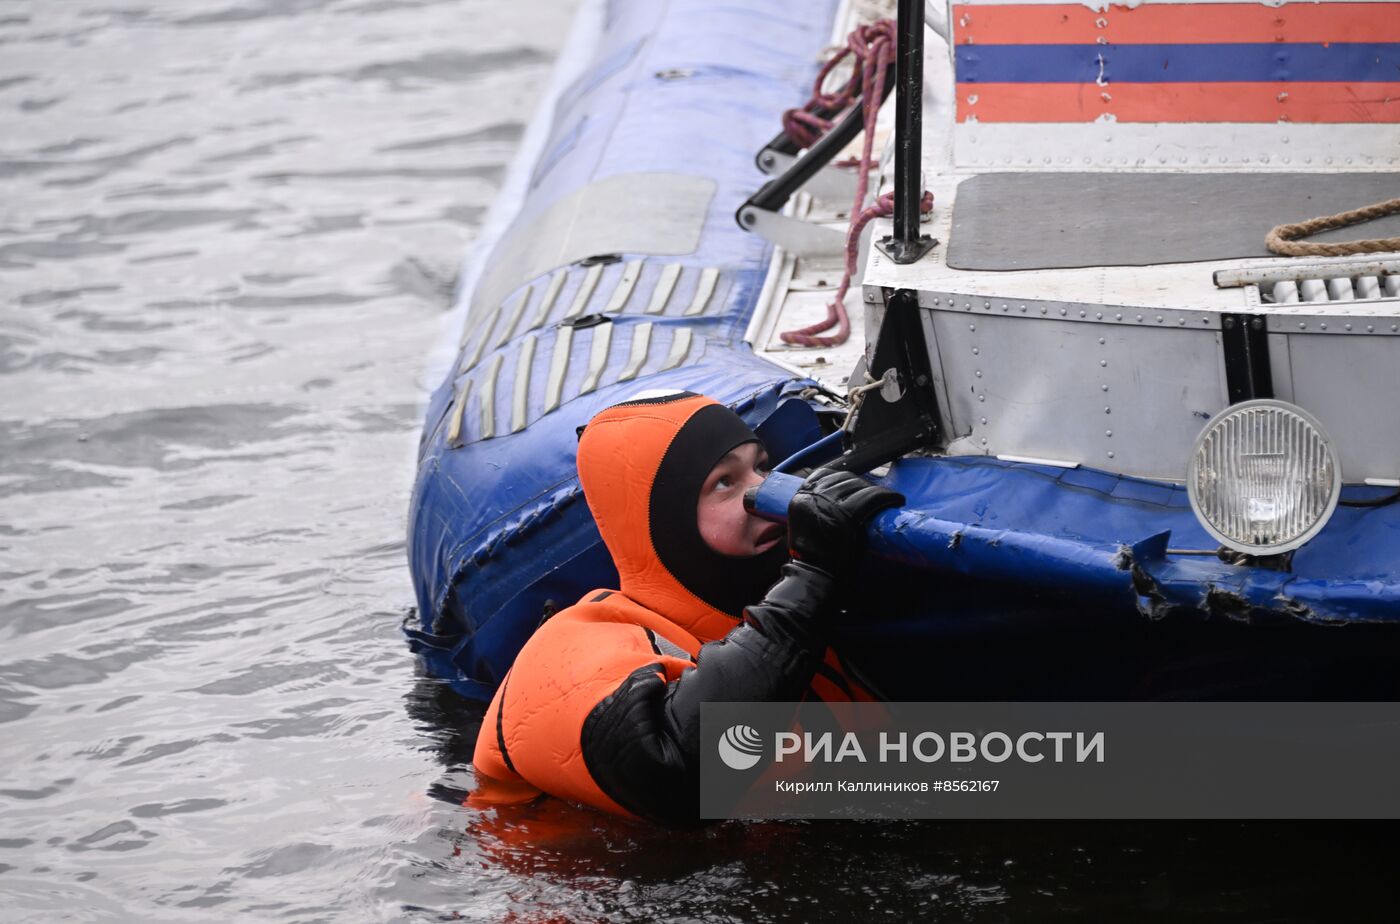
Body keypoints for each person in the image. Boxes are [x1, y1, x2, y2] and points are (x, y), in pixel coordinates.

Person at [470, 390, 902, 825]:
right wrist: (814, 577)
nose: (765, 495)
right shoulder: (570, 649)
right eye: (724, 483)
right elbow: (672, 773)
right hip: (576, 884)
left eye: (762, 467)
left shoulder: (790, 627)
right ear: (663, 520)